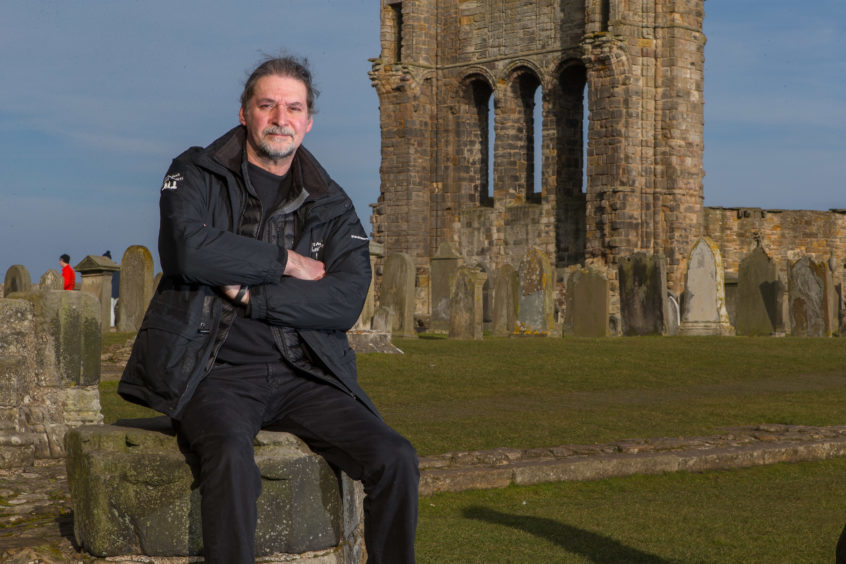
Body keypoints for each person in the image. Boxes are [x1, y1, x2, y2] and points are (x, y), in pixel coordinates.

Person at [117, 55, 418, 563]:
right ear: (245, 113)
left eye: (294, 107)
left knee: (396, 458)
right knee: (232, 459)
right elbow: (187, 250)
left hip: (304, 372)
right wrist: (286, 261)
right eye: (268, 105)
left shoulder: (330, 201)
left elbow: (345, 299)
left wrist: (254, 293)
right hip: (215, 371)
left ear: (308, 121)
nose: (281, 118)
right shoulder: (195, 171)